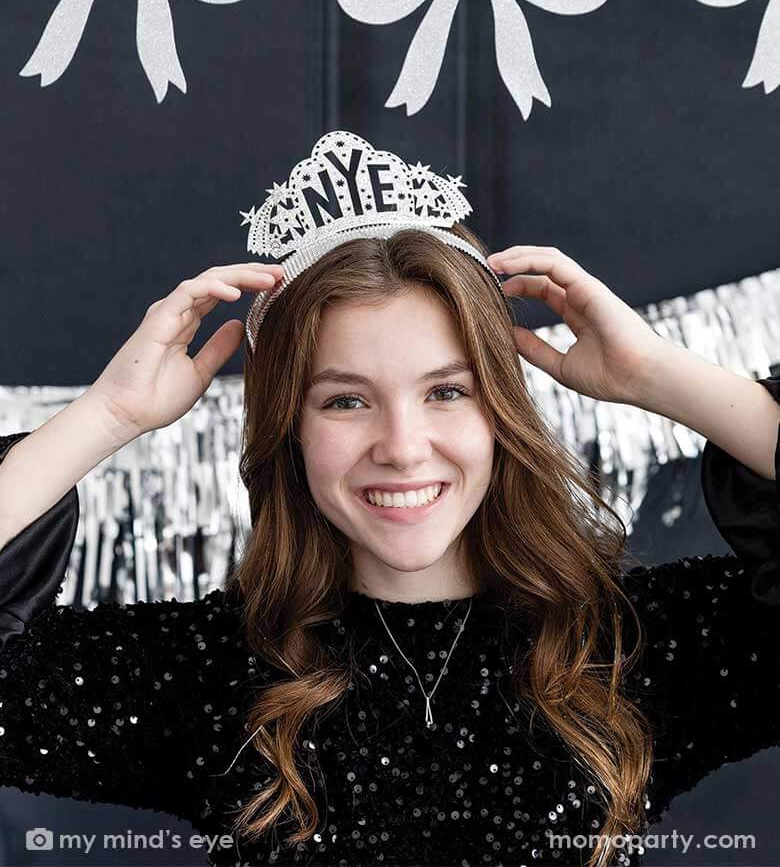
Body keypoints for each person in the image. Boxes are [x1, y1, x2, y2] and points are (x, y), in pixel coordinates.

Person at [0, 132, 778, 867]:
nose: (402, 446)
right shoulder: (208, 673)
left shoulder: (633, 648)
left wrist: (662, 378)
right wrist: (108, 417)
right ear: (290, 426)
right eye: (346, 401)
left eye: (446, 391)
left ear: (502, 410)